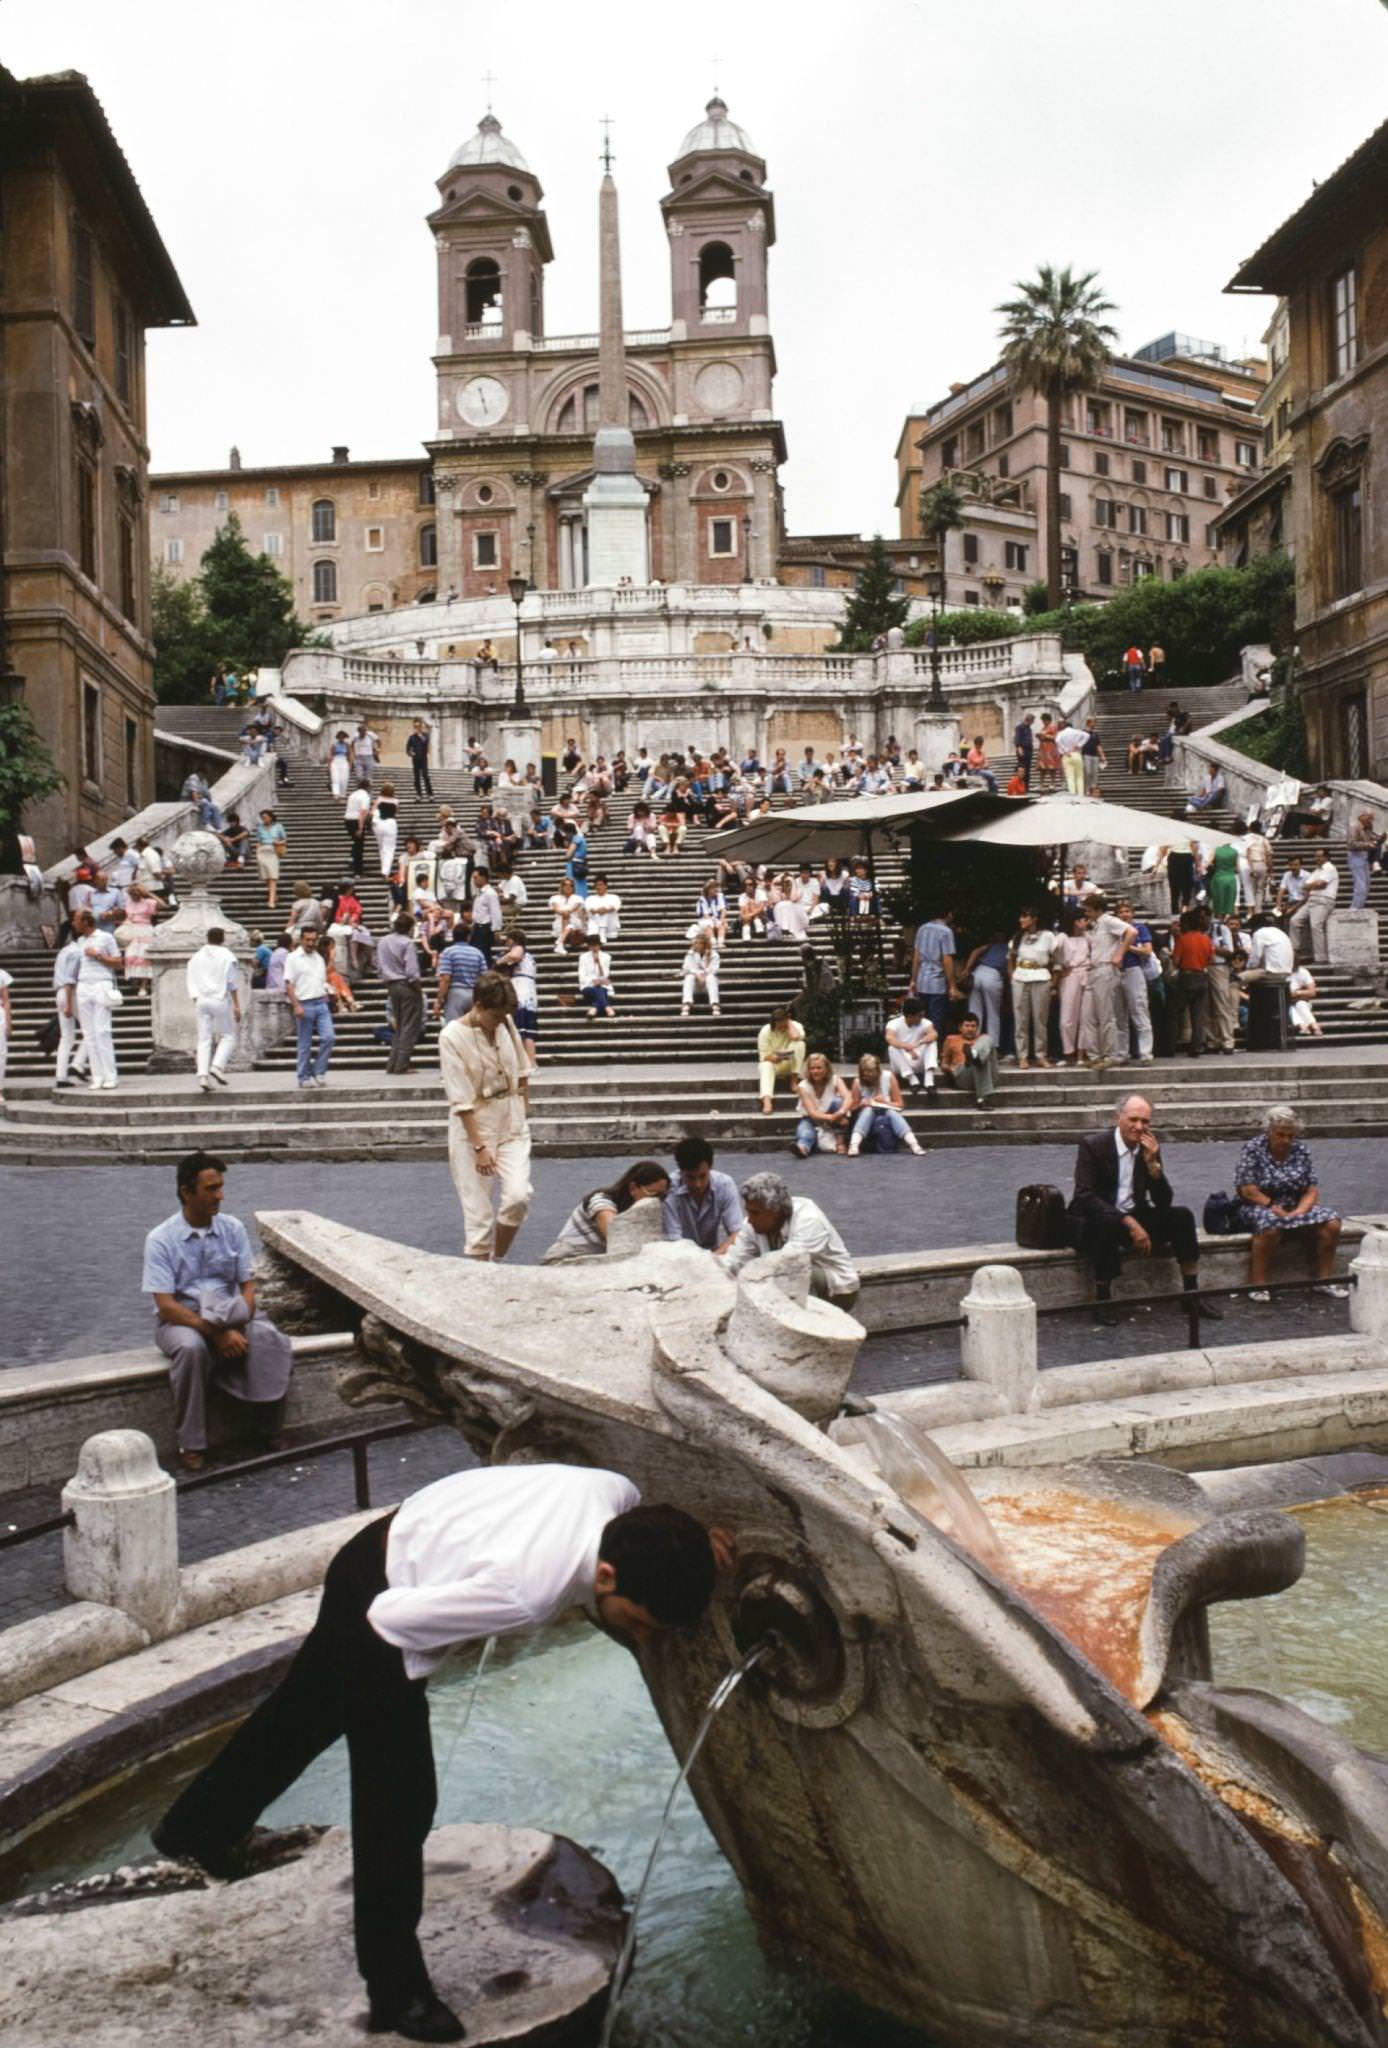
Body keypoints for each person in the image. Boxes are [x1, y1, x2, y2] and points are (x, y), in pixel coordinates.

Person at [153, 1463, 723, 2045]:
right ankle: (397, 1992)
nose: (645, 1637)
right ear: (605, 1575)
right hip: (381, 1602)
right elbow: (388, 1621)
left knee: (303, 1715)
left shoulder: (614, 1492)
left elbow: (652, 1522)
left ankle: (197, 1826)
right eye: (643, 1622)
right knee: (399, 1804)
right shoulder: (527, 1594)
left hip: (380, 1544)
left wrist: (698, 1547)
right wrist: (394, 1698)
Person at [141, 1151, 293, 1473]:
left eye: (221, 1187)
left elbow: (248, 1285)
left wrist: (242, 1317)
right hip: (182, 1318)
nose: (219, 1196)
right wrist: (216, 1332)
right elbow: (166, 1305)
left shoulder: (232, 1229)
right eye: (210, 1189)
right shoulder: (160, 1239)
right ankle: (192, 1443)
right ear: (186, 1191)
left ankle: (269, 1426)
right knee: (192, 1349)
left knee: (270, 1337)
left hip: (229, 1311)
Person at [1068, 1095, 1219, 1328]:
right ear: (1118, 1118)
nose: (1139, 1127)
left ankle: (1191, 1293)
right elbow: (1085, 1195)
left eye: (1145, 1121)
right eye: (1133, 1119)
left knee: (1182, 1216)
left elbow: (1164, 1201)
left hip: (1134, 1212)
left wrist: (1153, 1167)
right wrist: (1128, 1222)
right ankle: (1103, 1297)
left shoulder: (1149, 1147)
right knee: (1106, 1225)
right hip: (1098, 1217)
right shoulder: (1094, 1145)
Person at [439, 970, 533, 1261]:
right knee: (478, 1214)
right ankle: (481, 1273)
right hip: (474, 1128)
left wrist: (523, 1111)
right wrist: (480, 1147)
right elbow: (460, 1098)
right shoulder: (451, 1036)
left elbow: (523, 1070)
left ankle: (498, 1261)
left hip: (511, 1121)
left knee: (519, 1196)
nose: (500, 1022)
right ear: (478, 1006)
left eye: (505, 1016)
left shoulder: (505, 1022)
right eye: (495, 1016)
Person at [1233, 1106, 1344, 1302]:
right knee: (1270, 1225)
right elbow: (1247, 1190)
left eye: (1290, 1135)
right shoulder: (1253, 1148)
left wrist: (1299, 1211)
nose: (1286, 1140)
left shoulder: (1300, 1150)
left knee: (1332, 1223)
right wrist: (1273, 1206)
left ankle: (1324, 1280)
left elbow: (1311, 1189)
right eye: (1280, 1135)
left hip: (1294, 1204)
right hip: (1259, 1204)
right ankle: (1258, 1283)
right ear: (1269, 1132)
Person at [723, 1172, 860, 1312]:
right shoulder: (751, 1224)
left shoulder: (808, 1219)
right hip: (782, 1276)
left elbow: (786, 1263)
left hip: (838, 1290)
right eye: (748, 1212)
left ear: (775, 1211)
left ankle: (806, 1326)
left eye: (755, 1213)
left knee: (792, 1273)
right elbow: (734, 1261)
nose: (750, 1219)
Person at [541, 1160, 672, 1263]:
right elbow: (616, 1238)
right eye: (652, 1194)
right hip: (567, 1260)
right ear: (633, 1188)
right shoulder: (601, 1202)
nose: (657, 1201)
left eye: (662, 1196)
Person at [662, 1136, 744, 1252]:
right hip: (680, 1258)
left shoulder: (725, 1184)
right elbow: (674, 1242)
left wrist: (714, 1258)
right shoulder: (669, 1189)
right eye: (690, 1177)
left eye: (702, 1176)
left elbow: (738, 1233)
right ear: (681, 1171)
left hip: (714, 1254)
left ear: (710, 1167)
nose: (698, 1184)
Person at [1082, 893, 1135, 1071]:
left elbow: (1131, 931)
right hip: (1094, 969)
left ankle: (1109, 1054)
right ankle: (1095, 1054)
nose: (1086, 913)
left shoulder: (1108, 920)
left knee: (1106, 1015)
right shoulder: (1096, 925)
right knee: (1088, 1015)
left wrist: (1119, 953)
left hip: (1106, 968)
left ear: (1097, 909)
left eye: (1089, 910)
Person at [187, 927, 241, 1094]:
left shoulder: (196, 957)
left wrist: (196, 997)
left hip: (201, 999)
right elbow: (231, 983)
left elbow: (190, 977)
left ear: (207, 938)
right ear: (223, 939)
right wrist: (236, 1005)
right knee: (228, 1036)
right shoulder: (227, 956)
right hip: (219, 998)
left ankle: (202, 1075)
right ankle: (217, 1066)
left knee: (203, 1039)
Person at [76, 908, 122, 1091]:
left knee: (102, 1031)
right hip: (83, 985)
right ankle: (97, 1076)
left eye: (76, 920)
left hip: (101, 984)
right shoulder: (80, 941)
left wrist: (98, 955)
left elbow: (118, 963)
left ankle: (111, 1076)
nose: (74, 923)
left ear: (86, 922)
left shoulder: (105, 937)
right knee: (89, 1034)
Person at [847, 1054, 926, 1157]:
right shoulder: (857, 1082)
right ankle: (854, 1144)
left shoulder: (888, 1077)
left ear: (877, 1070)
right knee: (869, 1110)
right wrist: (861, 1104)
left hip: (885, 1113)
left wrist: (885, 1102)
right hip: (866, 1117)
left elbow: (900, 1104)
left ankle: (914, 1144)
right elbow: (852, 1108)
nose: (868, 1075)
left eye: (871, 1072)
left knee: (891, 1112)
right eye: (865, 1073)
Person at [285, 928, 335, 1089]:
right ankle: (303, 1076)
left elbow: (321, 979)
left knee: (329, 1037)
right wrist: (296, 1005)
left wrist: (326, 991)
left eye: (313, 940)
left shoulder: (318, 958)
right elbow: (289, 984)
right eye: (307, 940)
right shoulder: (292, 958)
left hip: (321, 1002)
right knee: (304, 1044)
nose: (311, 943)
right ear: (301, 939)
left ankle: (318, 1071)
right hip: (304, 1003)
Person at [1009, 909, 1058, 1069]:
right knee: (1020, 1018)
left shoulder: (1048, 936)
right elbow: (1010, 958)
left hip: (1041, 976)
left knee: (1040, 1019)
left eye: (1025, 916)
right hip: (1020, 976)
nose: (1021, 919)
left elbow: (1057, 960)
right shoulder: (1017, 937)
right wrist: (1012, 977)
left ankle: (1040, 1054)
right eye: (1021, 916)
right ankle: (1022, 1056)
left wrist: (1054, 983)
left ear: (1034, 919)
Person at [377, 912, 425, 1074]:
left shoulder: (383, 941)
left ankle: (393, 1062)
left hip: (392, 985)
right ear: (410, 928)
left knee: (399, 1026)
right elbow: (412, 972)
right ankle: (401, 1064)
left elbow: (379, 966)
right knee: (410, 1026)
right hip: (406, 985)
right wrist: (419, 989)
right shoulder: (407, 943)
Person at [1166, 908, 1213, 1058]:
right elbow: (1210, 960)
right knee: (1198, 1015)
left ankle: (1170, 1045)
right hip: (1202, 976)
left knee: (1174, 1012)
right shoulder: (1206, 939)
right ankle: (1196, 1047)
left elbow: (1177, 960)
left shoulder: (1183, 939)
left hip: (1186, 977)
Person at [1114, 898, 1155, 1064]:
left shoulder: (1139, 928)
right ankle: (1121, 1053)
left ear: (1132, 913)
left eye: (1127, 911)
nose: (1124, 914)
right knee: (1118, 1015)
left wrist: (1127, 946)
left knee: (1139, 1010)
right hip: (1116, 972)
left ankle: (1145, 1053)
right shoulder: (1113, 930)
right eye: (1121, 912)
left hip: (1133, 970)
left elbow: (1147, 950)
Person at [793, 1052, 852, 1157]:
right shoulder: (802, 1086)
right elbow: (812, 1113)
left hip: (833, 1119)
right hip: (812, 1119)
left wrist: (840, 1112)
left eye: (819, 1068)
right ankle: (802, 1149)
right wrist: (834, 1117)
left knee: (838, 1102)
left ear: (826, 1069)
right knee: (805, 1133)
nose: (815, 1071)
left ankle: (840, 1142)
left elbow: (848, 1098)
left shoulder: (835, 1080)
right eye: (812, 1068)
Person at [911, 909, 958, 1037]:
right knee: (936, 1021)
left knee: (921, 1020)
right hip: (937, 983)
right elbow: (947, 959)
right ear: (949, 914)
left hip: (921, 981)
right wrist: (953, 986)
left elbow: (916, 957)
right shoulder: (946, 931)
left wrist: (913, 980)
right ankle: (934, 1051)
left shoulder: (922, 929)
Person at [939, 1012, 999, 1108]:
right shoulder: (951, 1039)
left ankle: (974, 1053)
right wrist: (951, 1069)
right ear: (960, 1028)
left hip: (989, 1076)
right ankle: (983, 1098)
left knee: (986, 1040)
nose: (970, 1029)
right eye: (967, 1026)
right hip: (964, 1075)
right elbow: (943, 1064)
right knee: (977, 1062)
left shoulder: (982, 1039)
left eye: (973, 1026)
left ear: (977, 1028)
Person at [1055, 909, 1091, 1065]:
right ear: (1075, 921)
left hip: (1088, 974)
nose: (1086, 922)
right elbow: (1052, 951)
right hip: (1070, 976)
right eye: (1083, 919)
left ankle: (1082, 1053)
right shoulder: (1063, 937)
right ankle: (1068, 1052)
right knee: (1067, 1017)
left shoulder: (1087, 937)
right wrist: (1060, 967)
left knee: (1086, 1015)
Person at [884, 995, 939, 1096]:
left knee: (932, 1043)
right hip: (902, 1062)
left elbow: (933, 1034)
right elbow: (890, 1038)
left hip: (918, 1058)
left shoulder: (925, 1022)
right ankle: (912, 1080)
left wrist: (919, 1043)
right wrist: (907, 1047)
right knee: (892, 1048)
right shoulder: (893, 1023)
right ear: (909, 1016)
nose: (921, 1018)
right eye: (919, 1016)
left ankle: (929, 1082)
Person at [1290, 853, 1338, 963]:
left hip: (1323, 899)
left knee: (1316, 926)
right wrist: (1312, 885)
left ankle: (1321, 958)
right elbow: (1307, 884)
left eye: (1320, 856)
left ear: (1326, 857)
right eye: (1316, 856)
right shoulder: (1317, 871)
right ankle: (1295, 951)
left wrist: (1310, 885)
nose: (1317, 858)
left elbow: (1321, 884)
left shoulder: (1330, 868)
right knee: (1294, 921)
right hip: (1311, 900)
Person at [756, 1006, 806, 1114]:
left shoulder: (796, 1026)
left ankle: (794, 1081)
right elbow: (763, 1056)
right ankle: (767, 1100)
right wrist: (773, 1058)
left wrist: (788, 1025)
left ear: (788, 1019)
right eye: (779, 1027)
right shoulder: (765, 1031)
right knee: (765, 1065)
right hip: (775, 1064)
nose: (782, 1029)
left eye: (784, 1025)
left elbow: (797, 1036)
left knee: (800, 1044)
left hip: (791, 1064)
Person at [962, 930, 1009, 1044]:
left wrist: (967, 969)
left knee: (974, 1010)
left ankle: (972, 1042)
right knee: (993, 1012)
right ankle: (992, 1045)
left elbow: (975, 952)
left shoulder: (990, 946)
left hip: (978, 972)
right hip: (993, 974)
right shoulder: (1009, 947)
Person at [434, 923, 486, 1024]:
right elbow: (484, 978)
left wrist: (439, 1000)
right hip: (474, 994)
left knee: (455, 1030)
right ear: (468, 937)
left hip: (455, 994)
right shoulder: (478, 953)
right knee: (473, 1029)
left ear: (453, 936)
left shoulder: (448, 952)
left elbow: (445, 978)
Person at [681, 930, 721, 1016]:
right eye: (697, 943)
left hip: (708, 985)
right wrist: (697, 974)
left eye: (700, 943)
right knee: (689, 977)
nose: (698, 945)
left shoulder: (714, 955)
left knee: (711, 977)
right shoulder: (690, 954)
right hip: (694, 985)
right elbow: (686, 968)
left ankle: (715, 1005)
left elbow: (714, 970)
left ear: (705, 944)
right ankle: (686, 1004)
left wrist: (707, 961)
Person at [577, 933, 617, 1020]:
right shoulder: (583, 957)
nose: (594, 948)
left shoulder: (606, 957)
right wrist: (594, 981)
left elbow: (605, 975)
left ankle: (594, 1009)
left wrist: (598, 963)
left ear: (599, 945)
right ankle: (607, 1007)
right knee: (600, 990)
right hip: (588, 987)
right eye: (592, 946)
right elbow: (582, 976)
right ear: (589, 946)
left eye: (596, 945)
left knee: (601, 989)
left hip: (603, 985)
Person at [549, 874, 587, 955]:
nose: (568, 887)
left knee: (570, 923)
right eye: (565, 885)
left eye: (570, 885)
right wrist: (565, 912)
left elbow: (574, 908)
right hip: (559, 924)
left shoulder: (578, 898)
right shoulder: (555, 898)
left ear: (573, 887)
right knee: (566, 918)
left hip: (575, 923)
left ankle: (560, 943)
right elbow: (556, 909)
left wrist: (564, 911)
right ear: (562, 887)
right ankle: (560, 943)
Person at [1348, 811, 1378, 911]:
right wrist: (1367, 845)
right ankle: (1355, 907)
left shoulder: (1367, 827)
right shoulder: (1354, 826)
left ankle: (1359, 906)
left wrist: (1381, 837)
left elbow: (1373, 837)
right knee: (1360, 885)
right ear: (1362, 816)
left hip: (1364, 857)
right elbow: (1352, 844)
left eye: (1372, 819)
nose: (1371, 820)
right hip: (1356, 856)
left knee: (1367, 884)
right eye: (1369, 818)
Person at [585, 875, 623, 945]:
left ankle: (602, 932)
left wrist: (605, 910)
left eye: (601, 885)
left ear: (606, 886)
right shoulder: (589, 899)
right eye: (597, 885)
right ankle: (601, 933)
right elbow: (591, 910)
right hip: (595, 927)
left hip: (610, 926)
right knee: (601, 914)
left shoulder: (614, 897)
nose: (599, 887)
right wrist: (599, 911)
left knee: (605, 913)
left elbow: (615, 907)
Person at [344, 782, 371, 877]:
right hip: (356, 821)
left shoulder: (352, 794)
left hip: (347, 820)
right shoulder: (365, 796)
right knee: (359, 846)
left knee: (356, 842)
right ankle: (358, 871)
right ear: (367, 787)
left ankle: (352, 857)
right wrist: (360, 828)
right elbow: (363, 812)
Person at [1288, 964, 1322, 1036]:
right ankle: (1303, 1026)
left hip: (1302, 1001)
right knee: (1289, 1007)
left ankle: (1314, 1025)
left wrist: (1297, 993)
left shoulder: (1302, 972)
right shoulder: (1279, 972)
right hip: (1287, 1002)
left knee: (1300, 1004)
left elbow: (1312, 992)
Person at [1056, 720, 1088, 796]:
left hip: (1067, 755)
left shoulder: (1061, 733)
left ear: (1064, 726)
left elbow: (1057, 741)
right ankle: (1080, 795)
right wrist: (1079, 745)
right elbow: (1087, 735)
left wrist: (1065, 750)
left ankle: (1072, 794)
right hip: (1076, 754)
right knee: (1079, 776)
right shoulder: (1076, 731)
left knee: (1070, 777)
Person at [406, 720, 434, 800]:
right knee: (416, 777)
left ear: (421, 727)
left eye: (418, 726)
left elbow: (426, 742)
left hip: (423, 759)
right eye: (415, 726)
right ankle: (419, 794)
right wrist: (411, 753)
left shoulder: (425, 735)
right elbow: (407, 750)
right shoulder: (411, 737)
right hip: (415, 759)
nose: (417, 728)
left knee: (425, 776)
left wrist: (420, 735)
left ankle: (430, 794)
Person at [1080, 718, 1107, 796]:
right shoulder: (1082, 733)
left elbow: (1098, 746)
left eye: (1095, 723)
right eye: (1093, 723)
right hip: (1086, 755)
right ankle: (1087, 789)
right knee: (1087, 772)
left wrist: (1102, 756)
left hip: (1095, 756)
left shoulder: (1095, 734)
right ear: (1088, 723)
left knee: (1095, 773)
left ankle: (1093, 789)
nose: (1095, 724)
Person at [328, 729, 352, 800]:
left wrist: (350, 764)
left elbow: (350, 755)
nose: (341, 738)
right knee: (335, 778)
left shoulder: (347, 745)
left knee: (344, 778)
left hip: (344, 761)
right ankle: (336, 793)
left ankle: (342, 793)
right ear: (338, 737)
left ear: (344, 737)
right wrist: (329, 764)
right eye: (340, 736)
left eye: (343, 736)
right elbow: (330, 755)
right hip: (336, 761)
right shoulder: (334, 745)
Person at [1013, 714, 1034, 790]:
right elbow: (1017, 738)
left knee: (1027, 770)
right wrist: (1019, 747)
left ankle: (1026, 788)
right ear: (1029, 720)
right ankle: (1018, 786)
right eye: (1032, 721)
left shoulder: (1029, 729)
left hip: (1029, 751)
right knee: (1021, 769)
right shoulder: (1019, 727)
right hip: (1022, 750)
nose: (1032, 722)